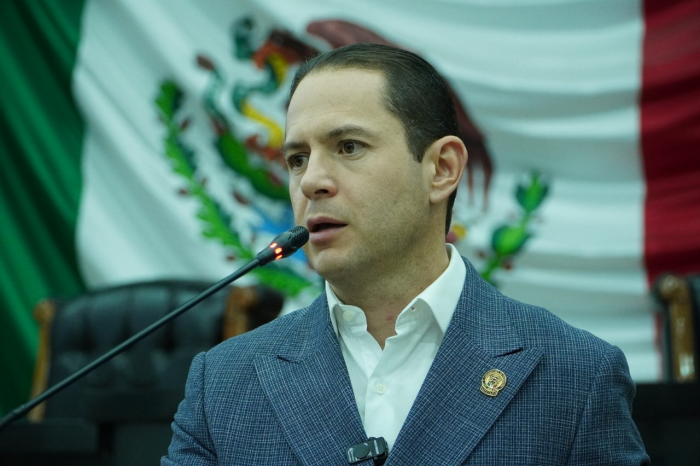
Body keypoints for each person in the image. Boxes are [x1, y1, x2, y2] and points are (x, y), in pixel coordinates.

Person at [163, 43, 649, 465]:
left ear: (441, 168)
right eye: (297, 159)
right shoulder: (223, 385)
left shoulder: (574, 375)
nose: (311, 182)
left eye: (348, 147)